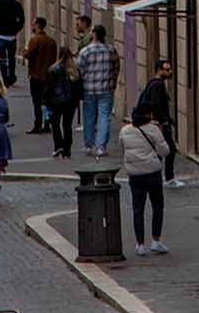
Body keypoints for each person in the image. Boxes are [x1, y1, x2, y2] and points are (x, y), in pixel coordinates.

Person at [120, 103, 173, 254]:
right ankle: (156, 241)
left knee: (138, 209)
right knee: (157, 206)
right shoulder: (153, 129)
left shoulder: (125, 130)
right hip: (152, 173)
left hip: (135, 175)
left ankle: (140, 245)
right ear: (149, 114)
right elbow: (165, 151)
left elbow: (123, 148)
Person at [76, 23, 120, 155]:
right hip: (106, 88)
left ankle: (88, 145)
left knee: (89, 117)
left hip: (89, 88)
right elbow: (116, 68)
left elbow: (79, 70)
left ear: (94, 34)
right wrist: (113, 82)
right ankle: (101, 147)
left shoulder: (85, 51)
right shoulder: (111, 50)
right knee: (104, 117)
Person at [136, 59, 181, 187]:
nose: (170, 72)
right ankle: (167, 178)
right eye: (167, 70)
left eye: (170, 69)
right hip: (159, 124)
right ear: (159, 70)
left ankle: (158, 177)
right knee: (169, 150)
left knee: (161, 151)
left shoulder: (155, 84)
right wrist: (163, 121)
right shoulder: (157, 85)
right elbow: (155, 105)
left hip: (159, 123)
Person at [22, 17, 59, 130]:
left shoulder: (35, 39)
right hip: (49, 75)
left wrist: (25, 51)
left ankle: (38, 124)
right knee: (47, 101)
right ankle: (47, 123)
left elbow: (29, 55)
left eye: (33, 24)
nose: (32, 26)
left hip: (36, 75)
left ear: (38, 25)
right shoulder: (52, 41)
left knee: (37, 102)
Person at [41, 54, 80, 158]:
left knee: (55, 124)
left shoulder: (53, 69)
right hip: (70, 102)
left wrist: (44, 101)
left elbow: (48, 87)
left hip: (55, 101)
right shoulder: (74, 70)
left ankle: (58, 146)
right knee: (67, 126)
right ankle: (67, 149)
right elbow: (78, 87)